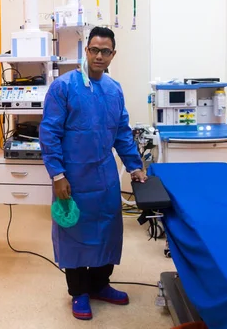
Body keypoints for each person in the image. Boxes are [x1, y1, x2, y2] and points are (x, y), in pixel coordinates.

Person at [39, 26, 147, 320]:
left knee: (107, 231)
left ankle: (100, 284)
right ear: (86, 51)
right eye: (94, 50)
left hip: (104, 176)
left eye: (105, 51)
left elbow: (122, 132)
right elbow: (49, 133)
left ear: (113, 55)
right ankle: (79, 292)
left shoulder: (114, 90)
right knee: (74, 233)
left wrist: (135, 165)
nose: (99, 56)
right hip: (71, 178)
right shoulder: (64, 87)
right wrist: (57, 175)